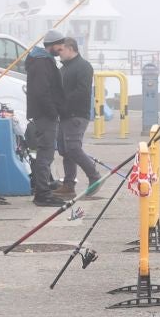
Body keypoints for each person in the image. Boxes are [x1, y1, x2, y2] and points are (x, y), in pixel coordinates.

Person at [24, 30, 71, 207]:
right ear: (52, 45)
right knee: (46, 154)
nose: (61, 49)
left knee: (45, 153)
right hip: (45, 115)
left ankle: (42, 189)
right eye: (60, 45)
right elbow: (41, 92)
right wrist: (53, 112)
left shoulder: (43, 60)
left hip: (44, 114)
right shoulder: (42, 62)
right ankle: (42, 194)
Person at [57, 36, 103, 197]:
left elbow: (83, 91)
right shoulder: (63, 69)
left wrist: (63, 102)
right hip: (63, 115)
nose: (58, 53)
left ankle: (94, 176)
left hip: (76, 114)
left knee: (73, 148)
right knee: (64, 150)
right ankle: (69, 185)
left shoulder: (83, 66)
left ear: (70, 48)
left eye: (61, 50)